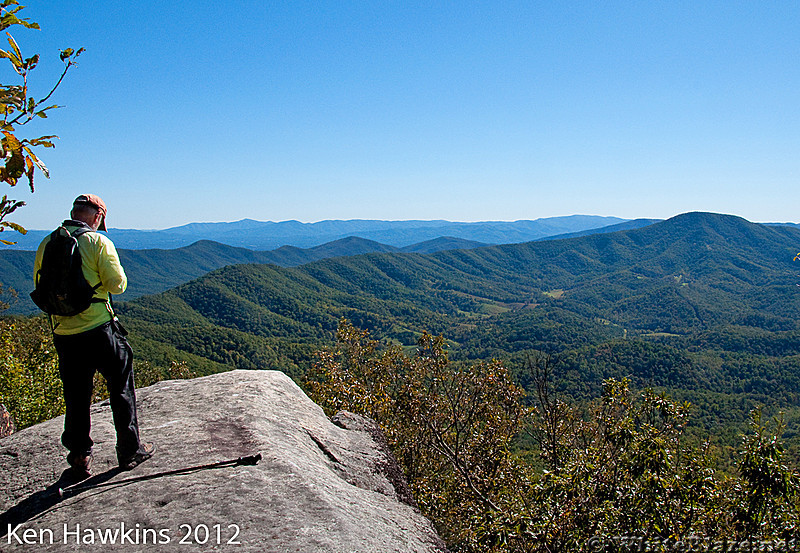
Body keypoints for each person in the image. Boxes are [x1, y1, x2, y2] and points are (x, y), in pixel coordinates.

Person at [33, 194, 154, 478]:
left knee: (75, 395)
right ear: (98, 217)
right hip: (99, 329)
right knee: (120, 387)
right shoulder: (97, 242)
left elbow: (40, 287)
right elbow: (117, 285)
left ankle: (79, 456)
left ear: (74, 213)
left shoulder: (47, 243)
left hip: (64, 333)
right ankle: (129, 450)